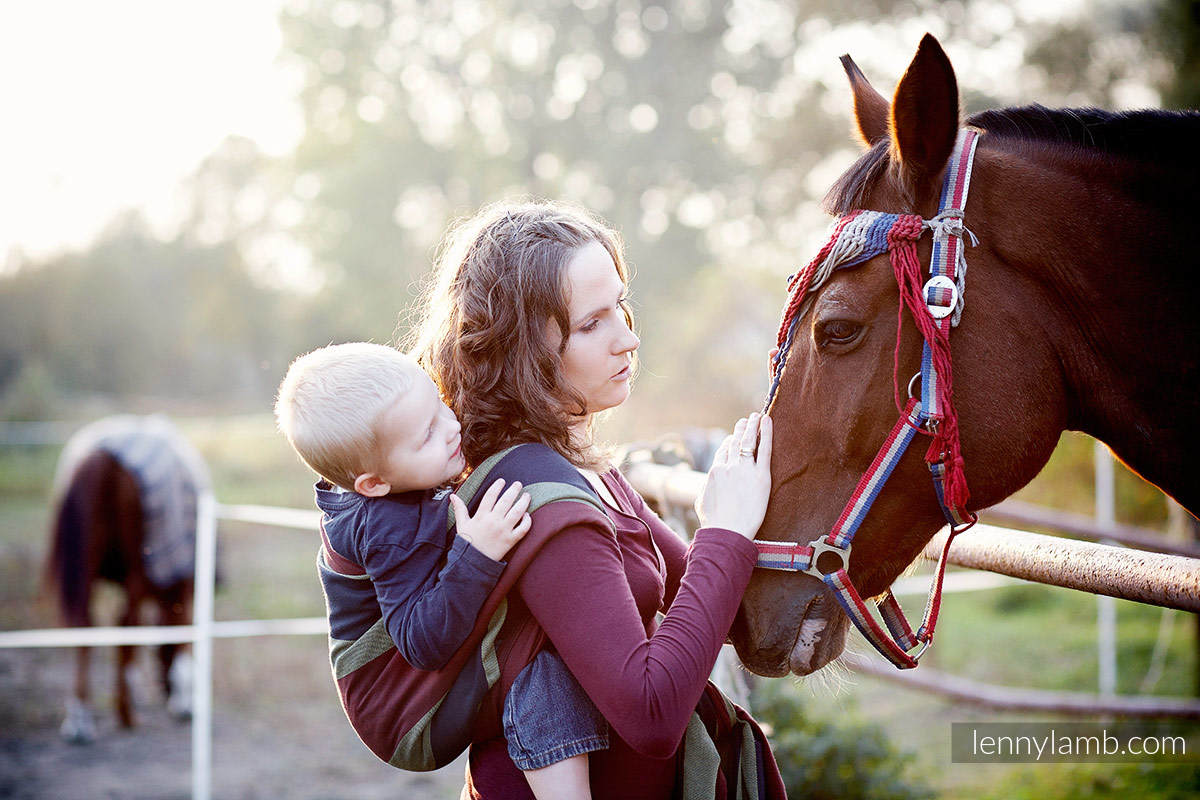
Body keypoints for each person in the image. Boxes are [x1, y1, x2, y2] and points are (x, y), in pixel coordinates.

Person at [409, 200, 782, 799]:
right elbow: (652, 714)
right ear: (522, 349)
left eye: (622, 308)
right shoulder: (536, 501)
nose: (628, 339)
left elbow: (723, 605)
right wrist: (725, 533)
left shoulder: (584, 469)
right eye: (592, 324)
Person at [274, 342, 610, 800]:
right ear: (373, 484)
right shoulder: (387, 526)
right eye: (426, 435)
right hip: (399, 711)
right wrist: (477, 552)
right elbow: (422, 642)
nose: (452, 429)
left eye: (438, 405)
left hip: (405, 687)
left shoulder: (401, 476)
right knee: (538, 660)